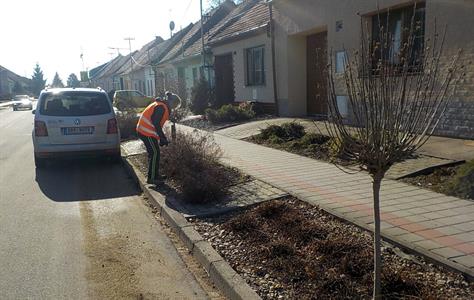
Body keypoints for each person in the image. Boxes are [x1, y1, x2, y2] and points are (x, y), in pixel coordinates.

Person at [136, 96, 172, 184]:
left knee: (154, 153)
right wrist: (162, 138)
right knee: (155, 153)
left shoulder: (159, 105)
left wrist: (161, 137)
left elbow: (156, 123)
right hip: (146, 132)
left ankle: (155, 175)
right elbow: (156, 122)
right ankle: (152, 178)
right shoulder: (161, 107)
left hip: (145, 131)